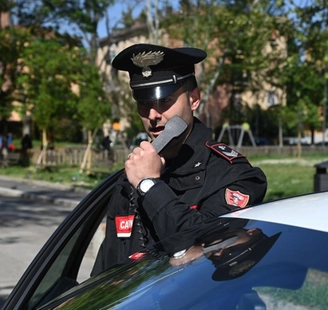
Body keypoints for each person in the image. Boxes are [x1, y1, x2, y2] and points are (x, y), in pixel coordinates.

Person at [91, 43, 267, 276]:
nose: (153, 115)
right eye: (144, 102)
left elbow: (198, 247)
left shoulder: (232, 174)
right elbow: (107, 268)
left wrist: (150, 186)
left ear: (194, 99)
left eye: (165, 100)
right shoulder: (130, 176)